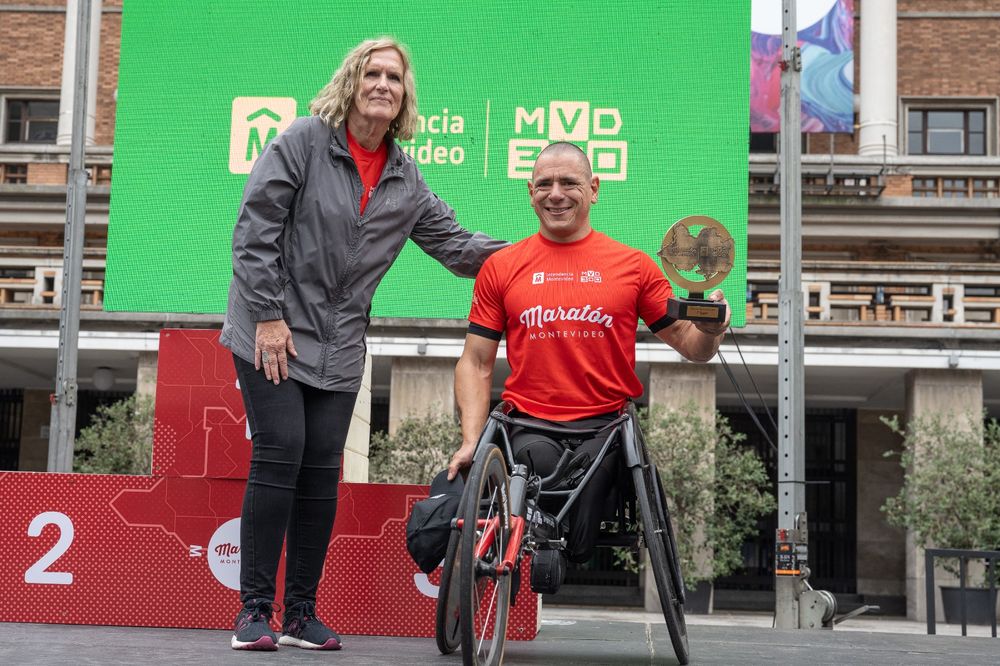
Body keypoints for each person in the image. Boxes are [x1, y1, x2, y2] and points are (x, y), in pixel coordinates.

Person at [220, 37, 506, 651]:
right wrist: (269, 316)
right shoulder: (302, 141)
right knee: (282, 451)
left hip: (340, 345)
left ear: (405, 97)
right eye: (372, 73)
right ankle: (252, 613)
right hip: (270, 330)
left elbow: (457, 248)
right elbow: (254, 231)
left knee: (322, 470)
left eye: (394, 78)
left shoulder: (405, 179)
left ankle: (300, 615)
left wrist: (532, 254)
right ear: (352, 82)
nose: (382, 84)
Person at [447, 142, 729, 566]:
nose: (555, 193)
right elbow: (475, 362)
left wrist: (710, 330)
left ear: (594, 189)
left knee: (579, 535)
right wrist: (471, 440)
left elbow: (691, 346)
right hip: (529, 422)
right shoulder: (502, 267)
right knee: (531, 463)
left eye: (568, 183)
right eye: (544, 184)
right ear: (530, 191)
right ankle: (536, 530)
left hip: (605, 428)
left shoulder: (633, 266)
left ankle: (556, 536)